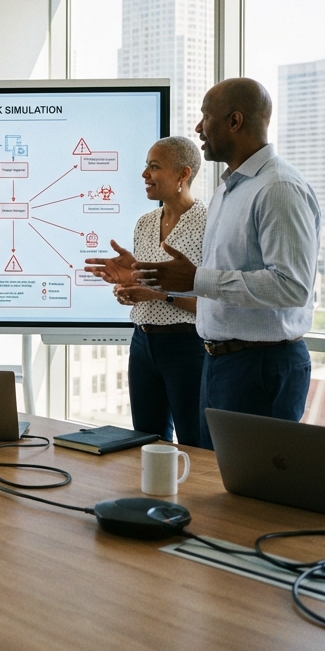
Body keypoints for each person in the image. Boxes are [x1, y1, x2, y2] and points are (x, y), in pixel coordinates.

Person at [134, 79, 320, 448]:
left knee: (251, 494)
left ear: (235, 121)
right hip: (220, 363)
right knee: (214, 481)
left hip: (261, 367)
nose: (198, 128)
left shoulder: (277, 188)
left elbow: (292, 286)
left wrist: (197, 279)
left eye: (206, 117)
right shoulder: (228, 190)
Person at [85, 137, 207, 447]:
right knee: (147, 442)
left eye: (154, 167)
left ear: (183, 174)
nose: (144, 175)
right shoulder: (145, 223)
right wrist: (127, 283)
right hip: (142, 344)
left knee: (195, 442)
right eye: (145, 166)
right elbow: (147, 283)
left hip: (187, 346)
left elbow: (214, 302)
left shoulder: (208, 223)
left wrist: (158, 295)